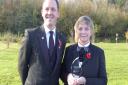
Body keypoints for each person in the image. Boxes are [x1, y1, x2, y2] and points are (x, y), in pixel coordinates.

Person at [18, 0, 66, 85]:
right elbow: (22, 65)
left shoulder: (62, 39)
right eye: (46, 9)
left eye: (53, 9)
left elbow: (58, 66)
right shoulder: (31, 35)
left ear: (58, 13)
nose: (49, 12)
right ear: (42, 12)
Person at [61, 16, 107, 85]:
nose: (83, 32)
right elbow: (62, 72)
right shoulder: (68, 50)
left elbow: (103, 81)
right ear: (76, 31)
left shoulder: (99, 53)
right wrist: (68, 77)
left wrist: (85, 81)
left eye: (86, 29)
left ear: (91, 31)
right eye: (80, 29)